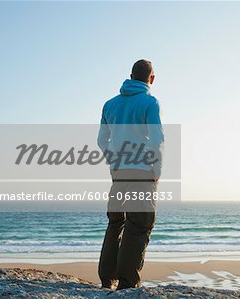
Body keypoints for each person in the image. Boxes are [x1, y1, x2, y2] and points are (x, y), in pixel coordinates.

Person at [97, 59, 164, 290]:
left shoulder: (110, 104)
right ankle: (127, 283)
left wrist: (114, 161)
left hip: (119, 173)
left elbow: (101, 140)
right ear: (152, 79)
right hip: (142, 171)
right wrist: (156, 170)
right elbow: (157, 141)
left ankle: (107, 279)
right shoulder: (150, 102)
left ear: (130, 76)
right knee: (139, 224)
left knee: (116, 222)